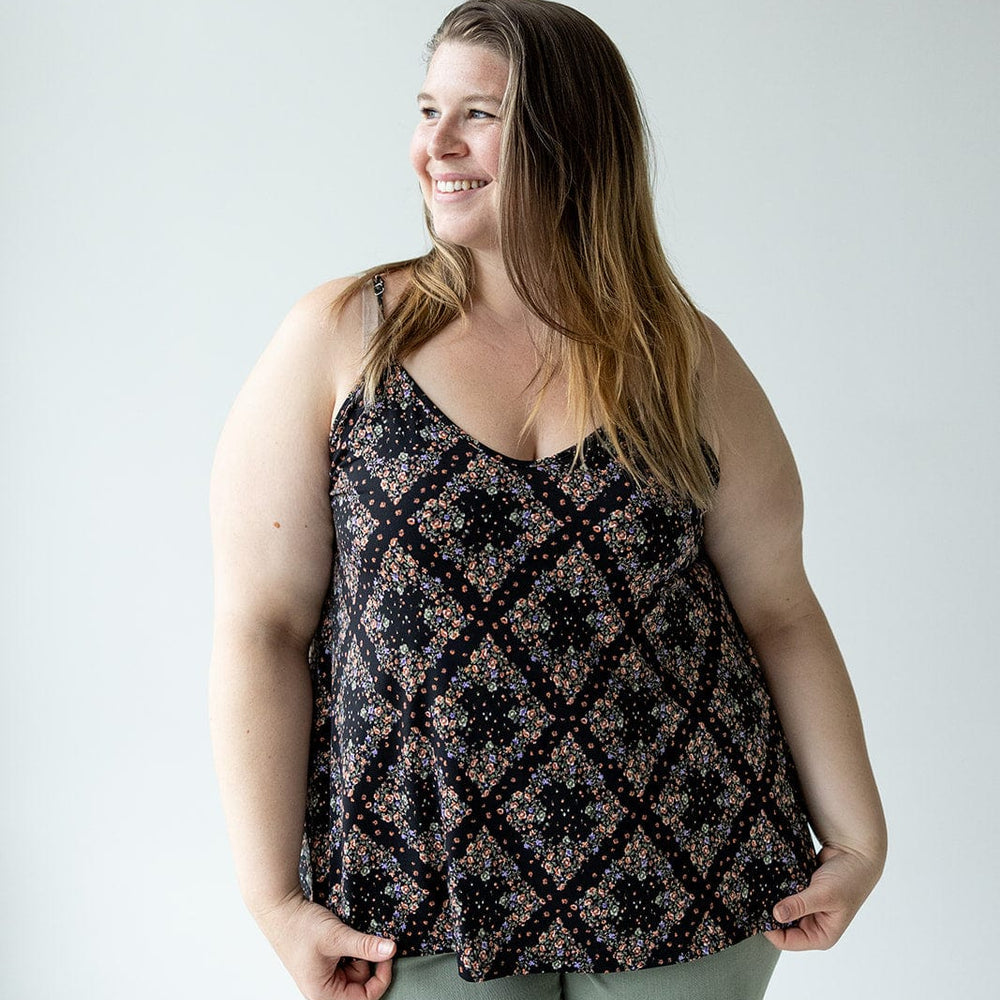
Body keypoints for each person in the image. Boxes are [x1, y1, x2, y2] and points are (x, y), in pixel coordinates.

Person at [208, 2, 887, 998]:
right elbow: (262, 625)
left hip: (687, 877)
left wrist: (860, 836)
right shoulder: (344, 336)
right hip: (411, 886)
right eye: (428, 108)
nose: (432, 145)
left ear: (570, 137)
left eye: (478, 112)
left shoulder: (683, 359)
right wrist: (272, 898)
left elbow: (778, 609)